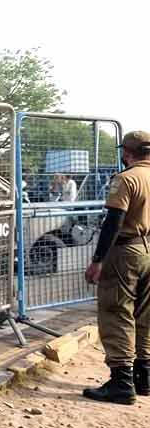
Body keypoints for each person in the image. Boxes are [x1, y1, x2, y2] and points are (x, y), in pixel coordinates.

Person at [83, 130, 150, 405]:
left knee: (116, 312)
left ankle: (121, 383)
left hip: (126, 251)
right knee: (145, 315)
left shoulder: (126, 178)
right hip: (148, 248)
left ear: (127, 152)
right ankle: (144, 377)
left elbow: (114, 220)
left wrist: (97, 260)